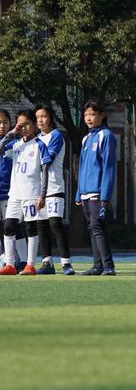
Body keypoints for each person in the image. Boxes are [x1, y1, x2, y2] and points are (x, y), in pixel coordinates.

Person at [0, 109, 51, 276]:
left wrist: (43, 194)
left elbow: (45, 171)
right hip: (15, 195)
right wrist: (10, 134)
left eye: (26, 124)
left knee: (31, 228)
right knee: (8, 227)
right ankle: (10, 264)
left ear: (33, 125)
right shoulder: (16, 144)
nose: (23, 128)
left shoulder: (40, 145)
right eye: (20, 125)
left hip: (32, 194)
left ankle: (30, 265)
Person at [76, 101, 117, 276]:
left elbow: (109, 167)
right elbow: (82, 167)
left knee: (98, 228)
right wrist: (78, 193)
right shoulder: (86, 138)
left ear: (102, 115)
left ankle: (108, 266)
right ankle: (97, 266)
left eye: (92, 114)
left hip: (97, 192)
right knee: (92, 229)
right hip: (85, 193)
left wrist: (105, 197)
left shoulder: (106, 136)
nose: (88, 118)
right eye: (86, 115)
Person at [0, 109, 28, 270]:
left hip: (11, 194)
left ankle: (23, 261)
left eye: (5, 122)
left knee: (14, 227)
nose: (2, 125)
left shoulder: (15, 143)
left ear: (10, 124)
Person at [35, 105, 75, 275]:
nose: (40, 120)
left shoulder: (56, 136)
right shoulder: (35, 138)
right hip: (36, 190)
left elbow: (47, 160)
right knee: (42, 226)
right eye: (37, 117)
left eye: (44, 116)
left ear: (51, 117)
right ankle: (47, 263)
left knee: (55, 224)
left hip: (54, 188)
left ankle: (66, 263)